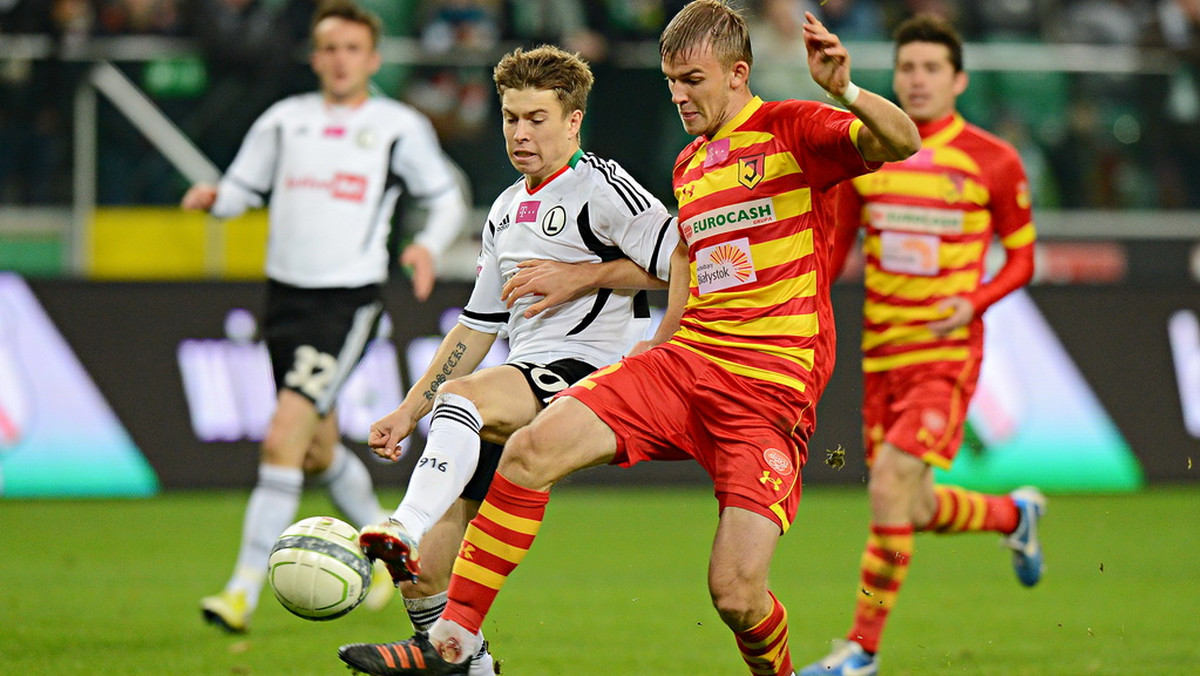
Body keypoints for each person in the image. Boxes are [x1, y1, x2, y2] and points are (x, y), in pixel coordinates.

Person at [338, 2, 920, 674]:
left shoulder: (793, 129)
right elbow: (685, 261)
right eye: (670, 79)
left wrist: (843, 89)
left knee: (735, 593)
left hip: (769, 391)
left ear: (738, 74)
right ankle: (454, 645)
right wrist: (664, 339)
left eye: (692, 79)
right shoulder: (691, 165)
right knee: (529, 450)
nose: (678, 94)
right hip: (685, 363)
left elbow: (901, 142)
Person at [343, 43, 677, 676]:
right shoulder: (503, 208)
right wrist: (410, 410)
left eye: (537, 119)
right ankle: (465, 660)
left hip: (594, 374)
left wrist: (583, 276)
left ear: (573, 120)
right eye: (510, 118)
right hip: (523, 376)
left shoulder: (604, 188)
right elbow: (475, 327)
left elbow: (685, 261)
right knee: (424, 579)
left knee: (465, 402)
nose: (520, 133)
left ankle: (403, 524)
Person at [180, 0, 470, 634]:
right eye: (328, 48)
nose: (339, 60)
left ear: (372, 58)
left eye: (351, 49)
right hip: (283, 300)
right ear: (314, 57)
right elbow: (242, 189)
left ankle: (240, 591)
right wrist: (216, 200)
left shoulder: (396, 125)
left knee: (282, 434)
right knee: (312, 450)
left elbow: (445, 195)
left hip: (347, 302)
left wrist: (425, 245)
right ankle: (387, 550)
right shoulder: (285, 121)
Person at [798, 14, 1045, 676]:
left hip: (945, 355)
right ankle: (1012, 515)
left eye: (932, 68)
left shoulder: (994, 160)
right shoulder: (873, 151)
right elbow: (838, 245)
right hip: (882, 355)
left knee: (887, 488)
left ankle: (862, 649)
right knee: (914, 504)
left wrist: (973, 302)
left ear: (958, 79)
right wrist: (804, 302)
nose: (918, 79)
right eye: (907, 67)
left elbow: (1023, 261)